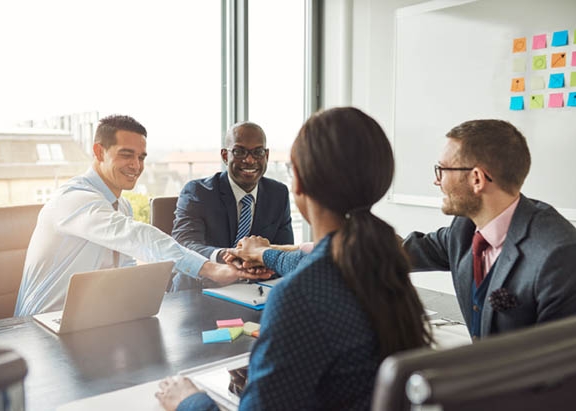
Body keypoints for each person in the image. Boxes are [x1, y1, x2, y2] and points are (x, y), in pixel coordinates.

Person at [155, 107, 432, 410]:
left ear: (298, 182)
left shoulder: (298, 297)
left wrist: (188, 401)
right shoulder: (385, 268)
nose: (250, 160)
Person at [236, 119, 576, 340]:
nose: (436, 179)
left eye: (442, 169)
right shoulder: (464, 230)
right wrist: (270, 252)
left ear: (476, 178)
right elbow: (386, 252)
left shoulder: (557, 255)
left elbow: (558, 375)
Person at [14, 115, 269, 316]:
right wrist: (210, 268)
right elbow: (137, 236)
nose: (136, 165)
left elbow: (124, 271)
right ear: (100, 151)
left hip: (89, 321)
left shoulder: (121, 206)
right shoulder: (72, 199)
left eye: (141, 156)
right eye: (126, 154)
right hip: (39, 324)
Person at [171, 121, 294, 268]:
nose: (249, 160)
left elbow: (285, 251)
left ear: (266, 155)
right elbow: (184, 245)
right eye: (239, 152)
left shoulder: (278, 194)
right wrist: (227, 256)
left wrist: (260, 265)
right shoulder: (198, 192)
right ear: (225, 156)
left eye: (258, 152)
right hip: (202, 286)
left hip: (257, 285)